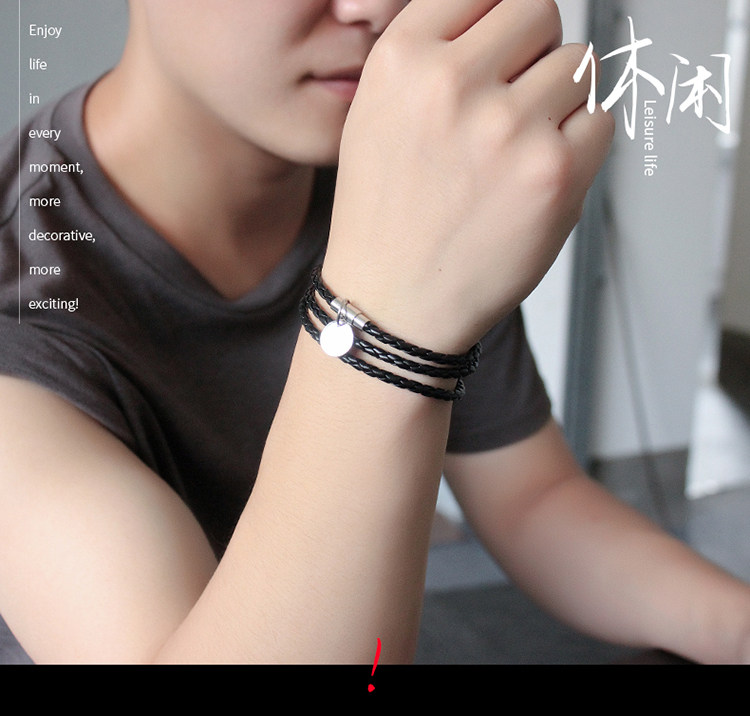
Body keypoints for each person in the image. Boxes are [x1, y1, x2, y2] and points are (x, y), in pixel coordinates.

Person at [0, 0, 748, 665]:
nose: (375, 7)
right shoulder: (25, 286)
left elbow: (532, 495)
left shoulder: (394, 177)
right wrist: (392, 318)